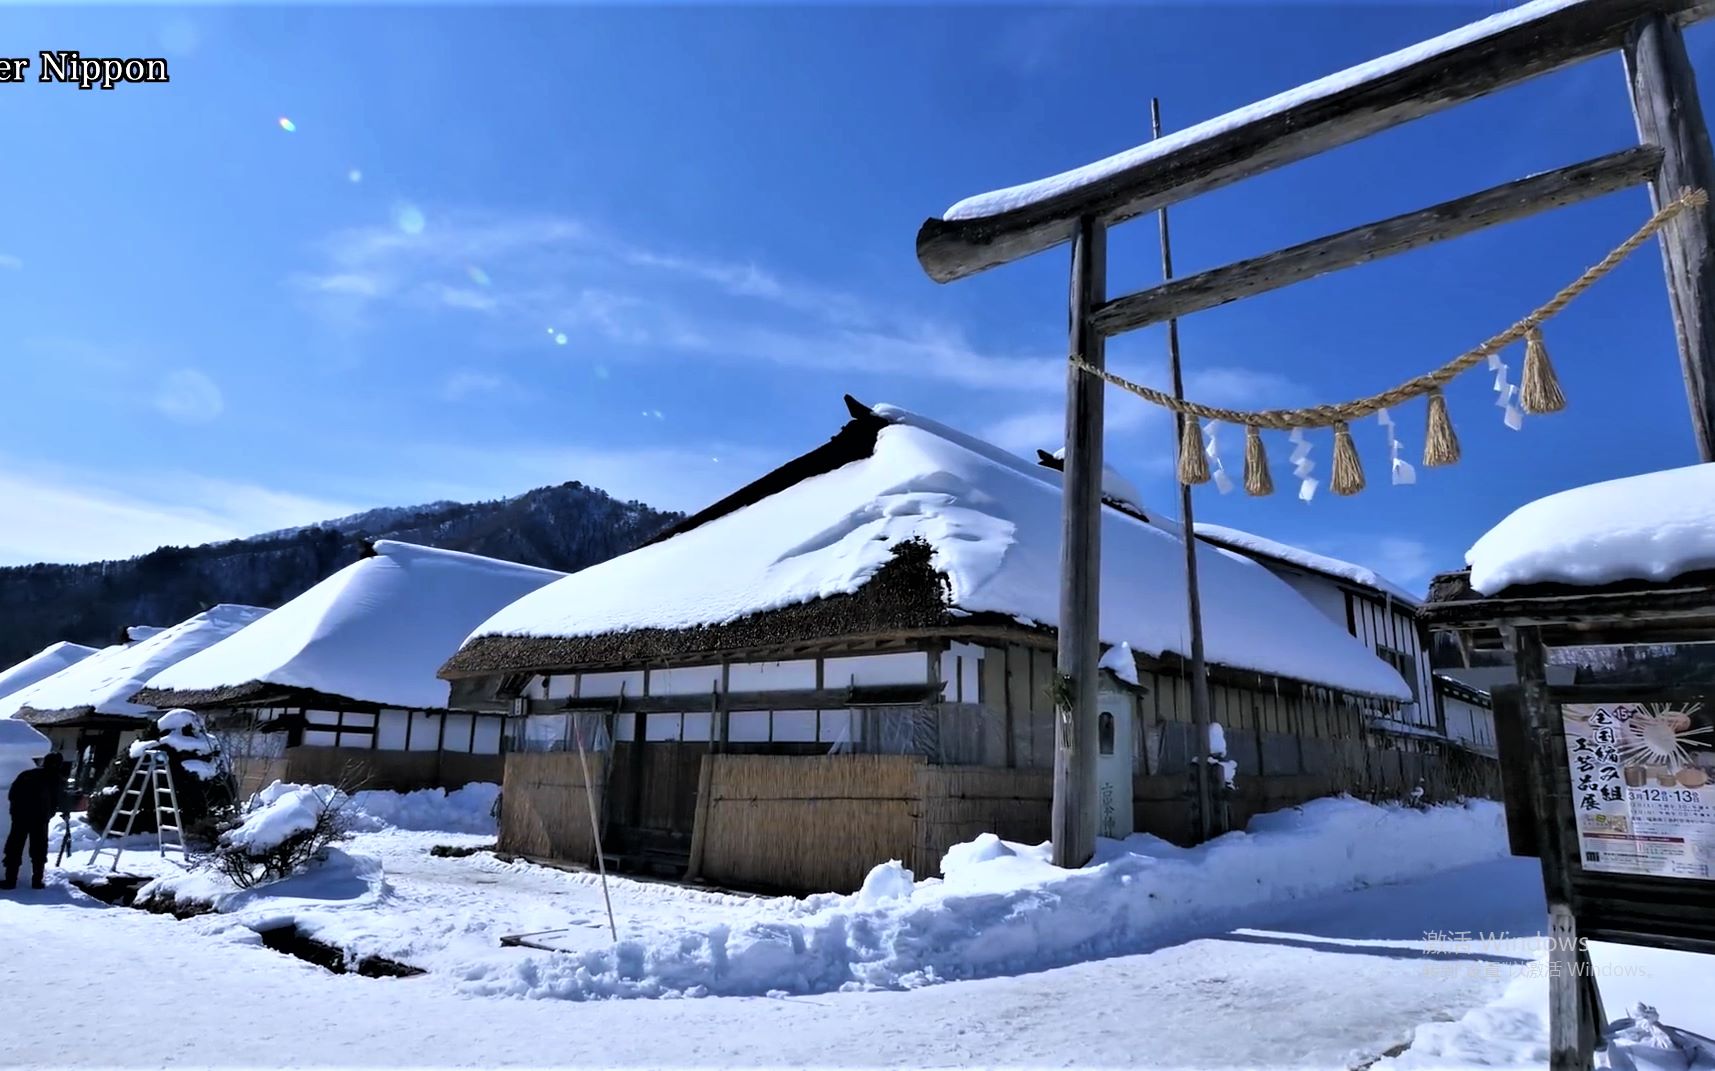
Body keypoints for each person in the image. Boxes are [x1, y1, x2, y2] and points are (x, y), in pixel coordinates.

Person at [4, 752, 70, 890]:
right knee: (39, 850)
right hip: (40, 819)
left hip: (20, 817)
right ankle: (37, 881)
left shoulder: (27, 774)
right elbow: (58, 800)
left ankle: (10, 880)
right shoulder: (56, 779)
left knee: (14, 847)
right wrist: (49, 814)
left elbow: (12, 794)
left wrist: (15, 812)